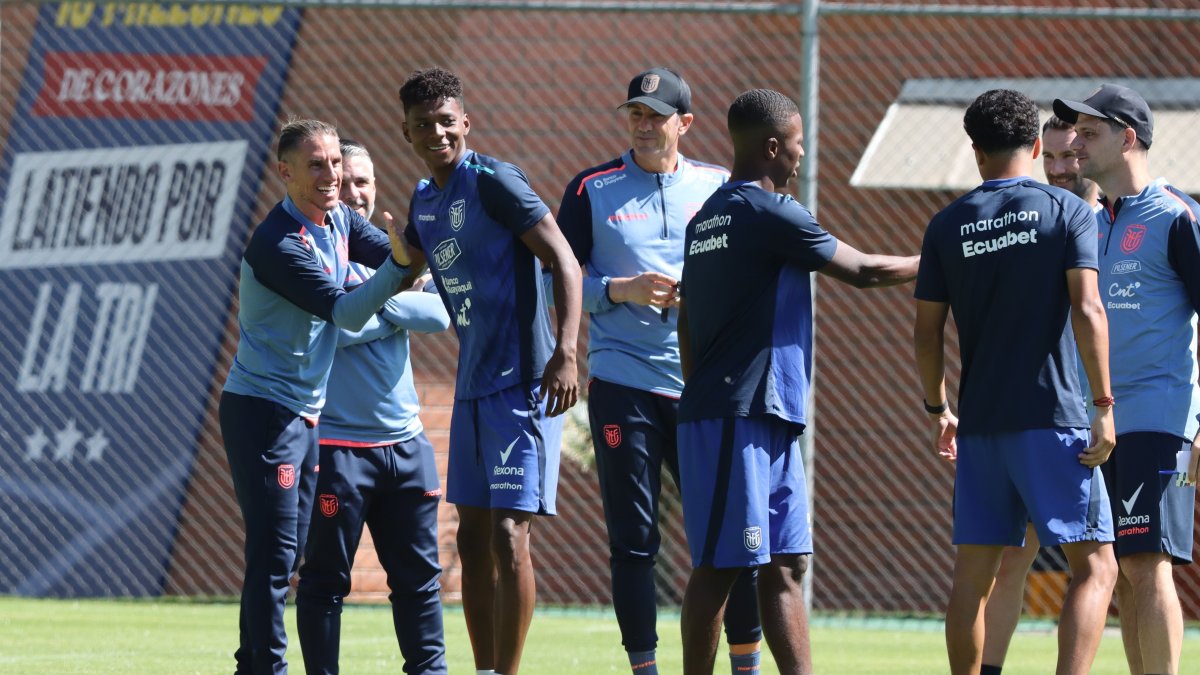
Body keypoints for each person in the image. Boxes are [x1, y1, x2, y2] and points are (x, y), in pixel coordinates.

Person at [677, 88, 919, 675]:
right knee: (721, 565)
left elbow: (687, 327)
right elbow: (863, 272)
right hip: (737, 411)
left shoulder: (707, 216)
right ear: (770, 146)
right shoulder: (768, 211)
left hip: (766, 411)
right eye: (798, 144)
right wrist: (945, 255)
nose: (801, 156)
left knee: (787, 564)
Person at [554, 67, 763, 675]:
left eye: (656, 116)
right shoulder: (591, 188)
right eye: (635, 115)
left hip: (706, 385)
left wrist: (701, 295)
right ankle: (644, 667)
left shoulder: (723, 185)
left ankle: (745, 664)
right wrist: (621, 289)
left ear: (685, 124)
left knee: (733, 536)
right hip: (624, 385)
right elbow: (555, 283)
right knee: (634, 538)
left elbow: (752, 272)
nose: (644, 127)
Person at [914, 88, 1118, 675]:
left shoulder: (946, 224)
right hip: (1053, 420)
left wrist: (938, 409)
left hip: (980, 428)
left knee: (972, 580)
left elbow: (926, 334)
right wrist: (1103, 403)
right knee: (1096, 566)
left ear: (975, 151)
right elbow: (1089, 310)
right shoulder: (1069, 212)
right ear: (1035, 145)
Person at [397, 67, 583, 675]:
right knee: (471, 542)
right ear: (408, 133)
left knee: (509, 535)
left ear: (465, 122)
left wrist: (567, 351)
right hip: (473, 386)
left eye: (446, 121)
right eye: (423, 125)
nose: (437, 132)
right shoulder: (424, 201)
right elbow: (403, 260)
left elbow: (563, 259)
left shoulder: (495, 181)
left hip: (525, 382)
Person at [220, 118, 412, 674]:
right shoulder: (279, 242)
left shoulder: (340, 222)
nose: (333, 175)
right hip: (264, 413)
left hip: (304, 414)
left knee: (284, 557)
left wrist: (424, 255)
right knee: (276, 558)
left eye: (334, 162)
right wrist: (402, 268)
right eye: (317, 165)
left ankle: (251, 665)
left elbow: (404, 263)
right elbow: (348, 310)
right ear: (285, 173)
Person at [1054, 83, 1200, 675]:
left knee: (1147, 565)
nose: (1076, 144)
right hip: (1099, 422)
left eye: (1089, 133)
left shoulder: (1176, 216)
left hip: (1159, 419)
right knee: (1119, 571)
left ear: (1128, 137)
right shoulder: (1089, 221)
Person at [295, 139, 451, 674]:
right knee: (324, 583)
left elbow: (438, 316)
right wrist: (393, 303)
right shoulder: (306, 250)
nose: (355, 191)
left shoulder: (394, 250)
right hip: (337, 446)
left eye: (365, 181)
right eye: (346, 180)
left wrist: (367, 302)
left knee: (419, 584)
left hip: (406, 443)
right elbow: (330, 327)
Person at [981, 113, 1102, 673]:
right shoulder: (1035, 225)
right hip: (1054, 421)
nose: (1059, 168)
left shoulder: (1128, 222)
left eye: (1071, 157)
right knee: (1014, 559)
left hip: (1117, 415)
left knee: (1126, 571)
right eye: (1048, 157)